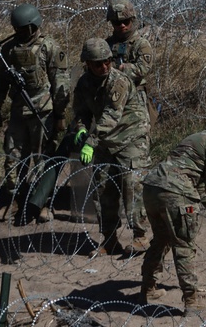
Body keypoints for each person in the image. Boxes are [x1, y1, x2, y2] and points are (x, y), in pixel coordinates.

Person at [138, 111, 206, 315]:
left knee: (161, 240)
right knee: (184, 246)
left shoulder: (195, 138)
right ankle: (191, 301)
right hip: (175, 191)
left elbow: (198, 182)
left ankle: (147, 289)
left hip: (152, 187)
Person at [0, 3, 70, 224]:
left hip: (43, 113)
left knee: (43, 159)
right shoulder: (9, 50)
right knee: (12, 157)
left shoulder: (49, 47)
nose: (20, 33)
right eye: (17, 29)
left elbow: (60, 82)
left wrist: (60, 115)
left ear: (34, 27)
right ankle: (14, 200)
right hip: (18, 111)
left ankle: (43, 203)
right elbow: (1, 83)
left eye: (24, 29)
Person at [71, 38, 151, 255]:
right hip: (105, 140)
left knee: (132, 186)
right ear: (87, 64)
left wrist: (90, 142)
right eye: (98, 64)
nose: (104, 67)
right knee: (103, 190)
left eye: (107, 61)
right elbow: (81, 112)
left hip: (131, 136)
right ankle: (109, 239)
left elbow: (109, 117)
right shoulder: (84, 83)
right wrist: (80, 129)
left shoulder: (119, 81)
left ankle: (140, 237)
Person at [105, 0, 155, 254]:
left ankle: (141, 234)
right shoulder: (106, 46)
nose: (122, 26)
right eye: (117, 22)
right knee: (105, 181)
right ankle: (108, 237)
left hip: (134, 118)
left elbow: (141, 69)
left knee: (133, 180)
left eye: (125, 21)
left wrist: (118, 68)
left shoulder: (141, 44)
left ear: (133, 20)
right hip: (109, 118)